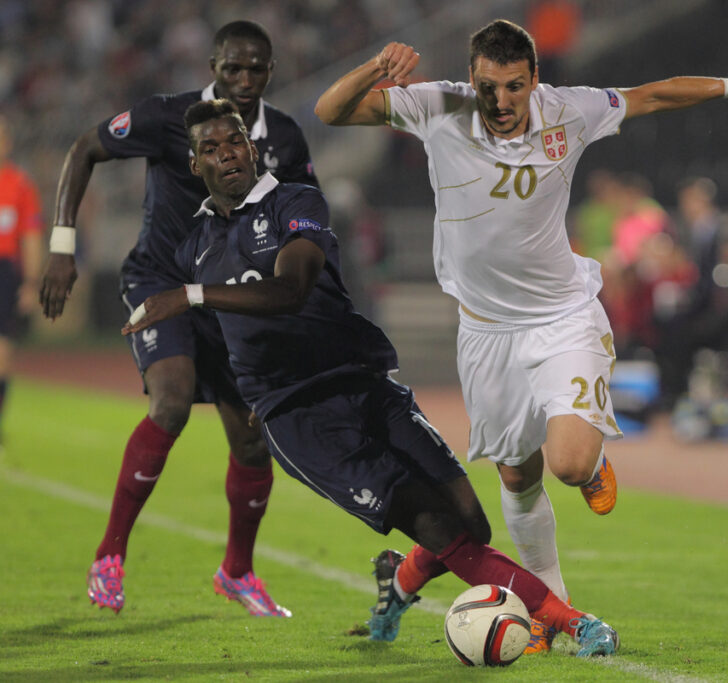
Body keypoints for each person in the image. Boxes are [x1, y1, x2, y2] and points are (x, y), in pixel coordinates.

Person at [313, 18, 728, 653]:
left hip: (562, 316)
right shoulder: (440, 106)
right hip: (485, 332)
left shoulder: (571, 110)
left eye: (513, 87)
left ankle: (590, 463)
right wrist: (375, 68)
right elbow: (329, 109)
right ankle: (548, 613)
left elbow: (651, 94)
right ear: (472, 79)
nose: (500, 102)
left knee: (565, 463)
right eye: (488, 87)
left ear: (535, 79)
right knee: (517, 477)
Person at [123, 98, 620, 657]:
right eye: (209, 149)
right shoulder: (192, 246)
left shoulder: (297, 201)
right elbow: (224, 340)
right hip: (299, 418)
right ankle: (571, 623)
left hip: (366, 385)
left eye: (234, 140)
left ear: (252, 145)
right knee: (440, 529)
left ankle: (399, 584)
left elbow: (292, 290)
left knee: (471, 526)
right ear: (196, 167)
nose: (226, 154)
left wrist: (189, 295)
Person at [39, 20, 318, 617]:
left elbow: (300, 219)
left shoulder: (286, 138)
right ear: (212, 66)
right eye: (232, 68)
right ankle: (109, 556)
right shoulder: (169, 117)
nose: (243, 81)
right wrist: (63, 246)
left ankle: (237, 572)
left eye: (256, 69)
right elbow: (84, 147)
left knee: (251, 437)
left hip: (226, 294)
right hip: (160, 281)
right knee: (171, 399)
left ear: (272, 71)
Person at [0, 115, 43, 441]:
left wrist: (30, 283)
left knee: (3, 351)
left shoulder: (19, 184)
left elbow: (30, 236)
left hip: (5, 272)